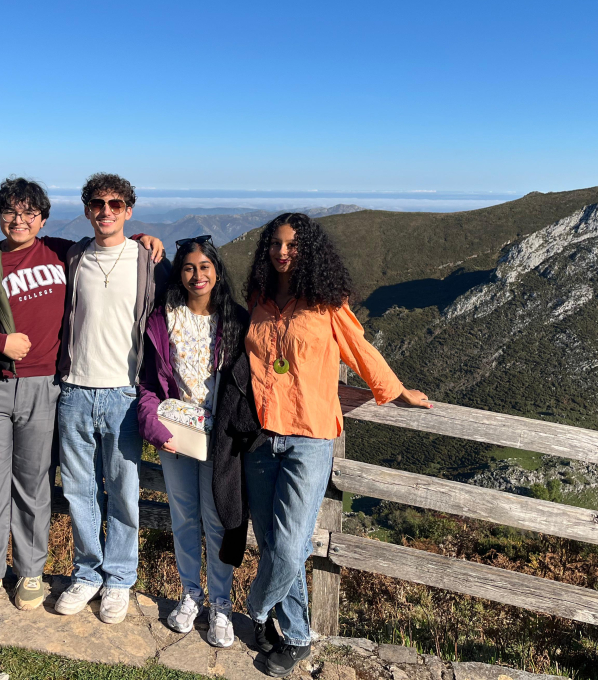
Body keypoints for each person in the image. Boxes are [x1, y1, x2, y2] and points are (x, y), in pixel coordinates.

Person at [0, 176, 165, 618]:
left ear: (42, 218)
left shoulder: (63, 252)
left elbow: (115, 245)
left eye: (29, 213)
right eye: (10, 213)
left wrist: (144, 238)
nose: (19, 221)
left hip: (49, 388)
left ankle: (31, 572)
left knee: (36, 487)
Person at [242, 212, 431, 678]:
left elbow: (361, 350)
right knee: (270, 544)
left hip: (310, 438)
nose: (282, 252)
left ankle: (256, 609)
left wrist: (398, 390)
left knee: (289, 549)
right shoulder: (259, 300)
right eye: (275, 244)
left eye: (292, 245)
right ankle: (298, 637)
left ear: (308, 252)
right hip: (260, 437)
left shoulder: (326, 304)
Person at [54, 173, 171, 625]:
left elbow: (187, 299)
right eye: (98, 203)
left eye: (116, 204)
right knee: (79, 491)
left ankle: (119, 579)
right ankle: (87, 573)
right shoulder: (73, 256)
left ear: (129, 209)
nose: (106, 211)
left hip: (123, 393)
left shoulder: (147, 260)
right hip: (75, 391)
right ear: (87, 209)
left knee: (124, 492)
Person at [137, 236, 249, 647]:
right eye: (188, 268)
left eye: (204, 267)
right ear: (178, 274)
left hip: (221, 441)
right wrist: (153, 426)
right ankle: (191, 595)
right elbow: (149, 383)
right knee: (184, 518)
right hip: (177, 437)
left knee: (217, 519)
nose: (197, 275)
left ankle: (221, 605)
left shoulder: (236, 320)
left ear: (217, 270)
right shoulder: (162, 321)